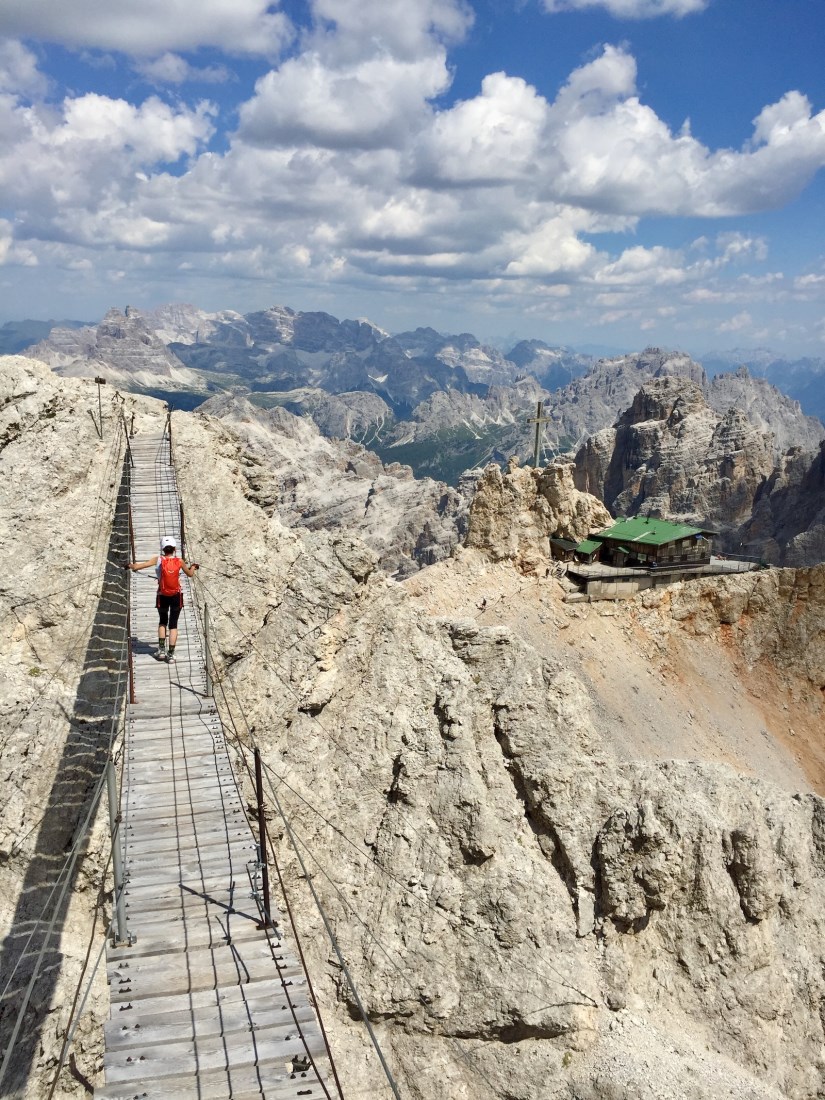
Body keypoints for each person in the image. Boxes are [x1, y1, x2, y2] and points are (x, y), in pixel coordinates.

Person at [126, 536, 199, 661]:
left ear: (163, 549)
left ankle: (160, 651)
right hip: (176, 595)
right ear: (175, 548)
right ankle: (170, 655)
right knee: (173, 625)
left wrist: (129, 566)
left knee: (162, 622)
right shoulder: (179, 561)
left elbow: (138, 566)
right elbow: (190, 574)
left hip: (162, 594)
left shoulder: (158, 559)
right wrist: (193, 567)